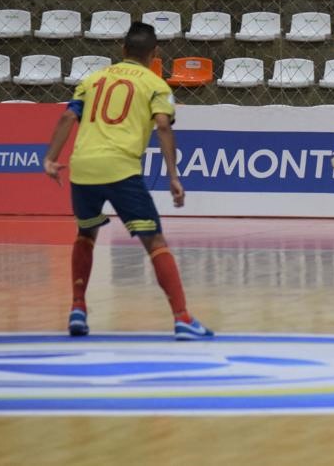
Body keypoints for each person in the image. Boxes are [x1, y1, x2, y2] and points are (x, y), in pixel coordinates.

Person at [43, 22, 214, 339]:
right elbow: (163, 126)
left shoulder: (93, 79)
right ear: (155, 54)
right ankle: (183, 318)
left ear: (122, 50)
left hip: (83, 167)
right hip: (121, 168)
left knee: (85, 234)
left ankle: (78, 308)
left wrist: (51, 158)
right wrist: (173, 177)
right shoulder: (156, 85)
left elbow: (68, 116)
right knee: (155, 242)